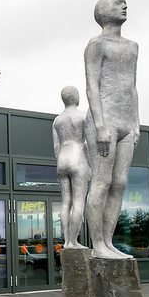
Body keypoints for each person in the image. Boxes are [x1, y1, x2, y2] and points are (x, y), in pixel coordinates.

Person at [84, 0, 139, 259]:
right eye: (118, 3)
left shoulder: (132, 47)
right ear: (103, 11)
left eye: (125, 2)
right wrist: (100, 124)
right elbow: (92, 85)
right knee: (102, 182)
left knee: (119, 182)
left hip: (127, 121)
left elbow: (132, 86)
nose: (125, 6)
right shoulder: (96, 44)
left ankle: (108, 242)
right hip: (104, 120)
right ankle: (97, 245)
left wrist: (136, 123)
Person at [52, 86, 90, 249]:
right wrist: (90, 166)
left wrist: (60, 162)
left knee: (65, 201)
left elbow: (56, 147)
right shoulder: (83, 116)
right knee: (79, 201)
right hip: (78, 157)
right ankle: (74, 241)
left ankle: (67, 241)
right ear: (76, 97)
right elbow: (89, 144)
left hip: (62, 159)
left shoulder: (57, 121)